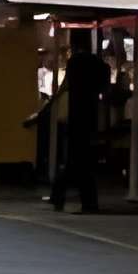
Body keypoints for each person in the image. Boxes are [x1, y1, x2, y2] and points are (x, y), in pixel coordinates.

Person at [53, 29, 111, 213]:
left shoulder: (74, 62)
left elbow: (66, 86)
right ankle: (83, 201)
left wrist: (54, 99)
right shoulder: (98, 63)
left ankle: (60, 196)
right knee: (84, 162)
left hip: (76, 113)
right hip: (91, 114)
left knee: (74, 160)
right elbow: (104, 89)